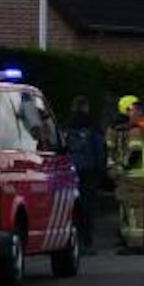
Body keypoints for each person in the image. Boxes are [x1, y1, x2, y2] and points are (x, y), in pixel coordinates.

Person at [107, 94, 144, 254]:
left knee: (134, 210)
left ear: (137, 112)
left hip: (136, 177)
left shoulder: (136, 130)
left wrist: (122, 167)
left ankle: (135, 244)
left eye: (130, 112)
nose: (128, 115)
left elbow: (134, 152)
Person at [62, 96, 105, 254]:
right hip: (88, 171)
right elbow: (99, 149)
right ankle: (86, 242)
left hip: (70, 170)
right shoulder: (92, 126)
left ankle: (73, 241)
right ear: (86, 107)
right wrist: (101, 170)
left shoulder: (66, 126)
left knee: (72, 206)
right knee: (87, 207)